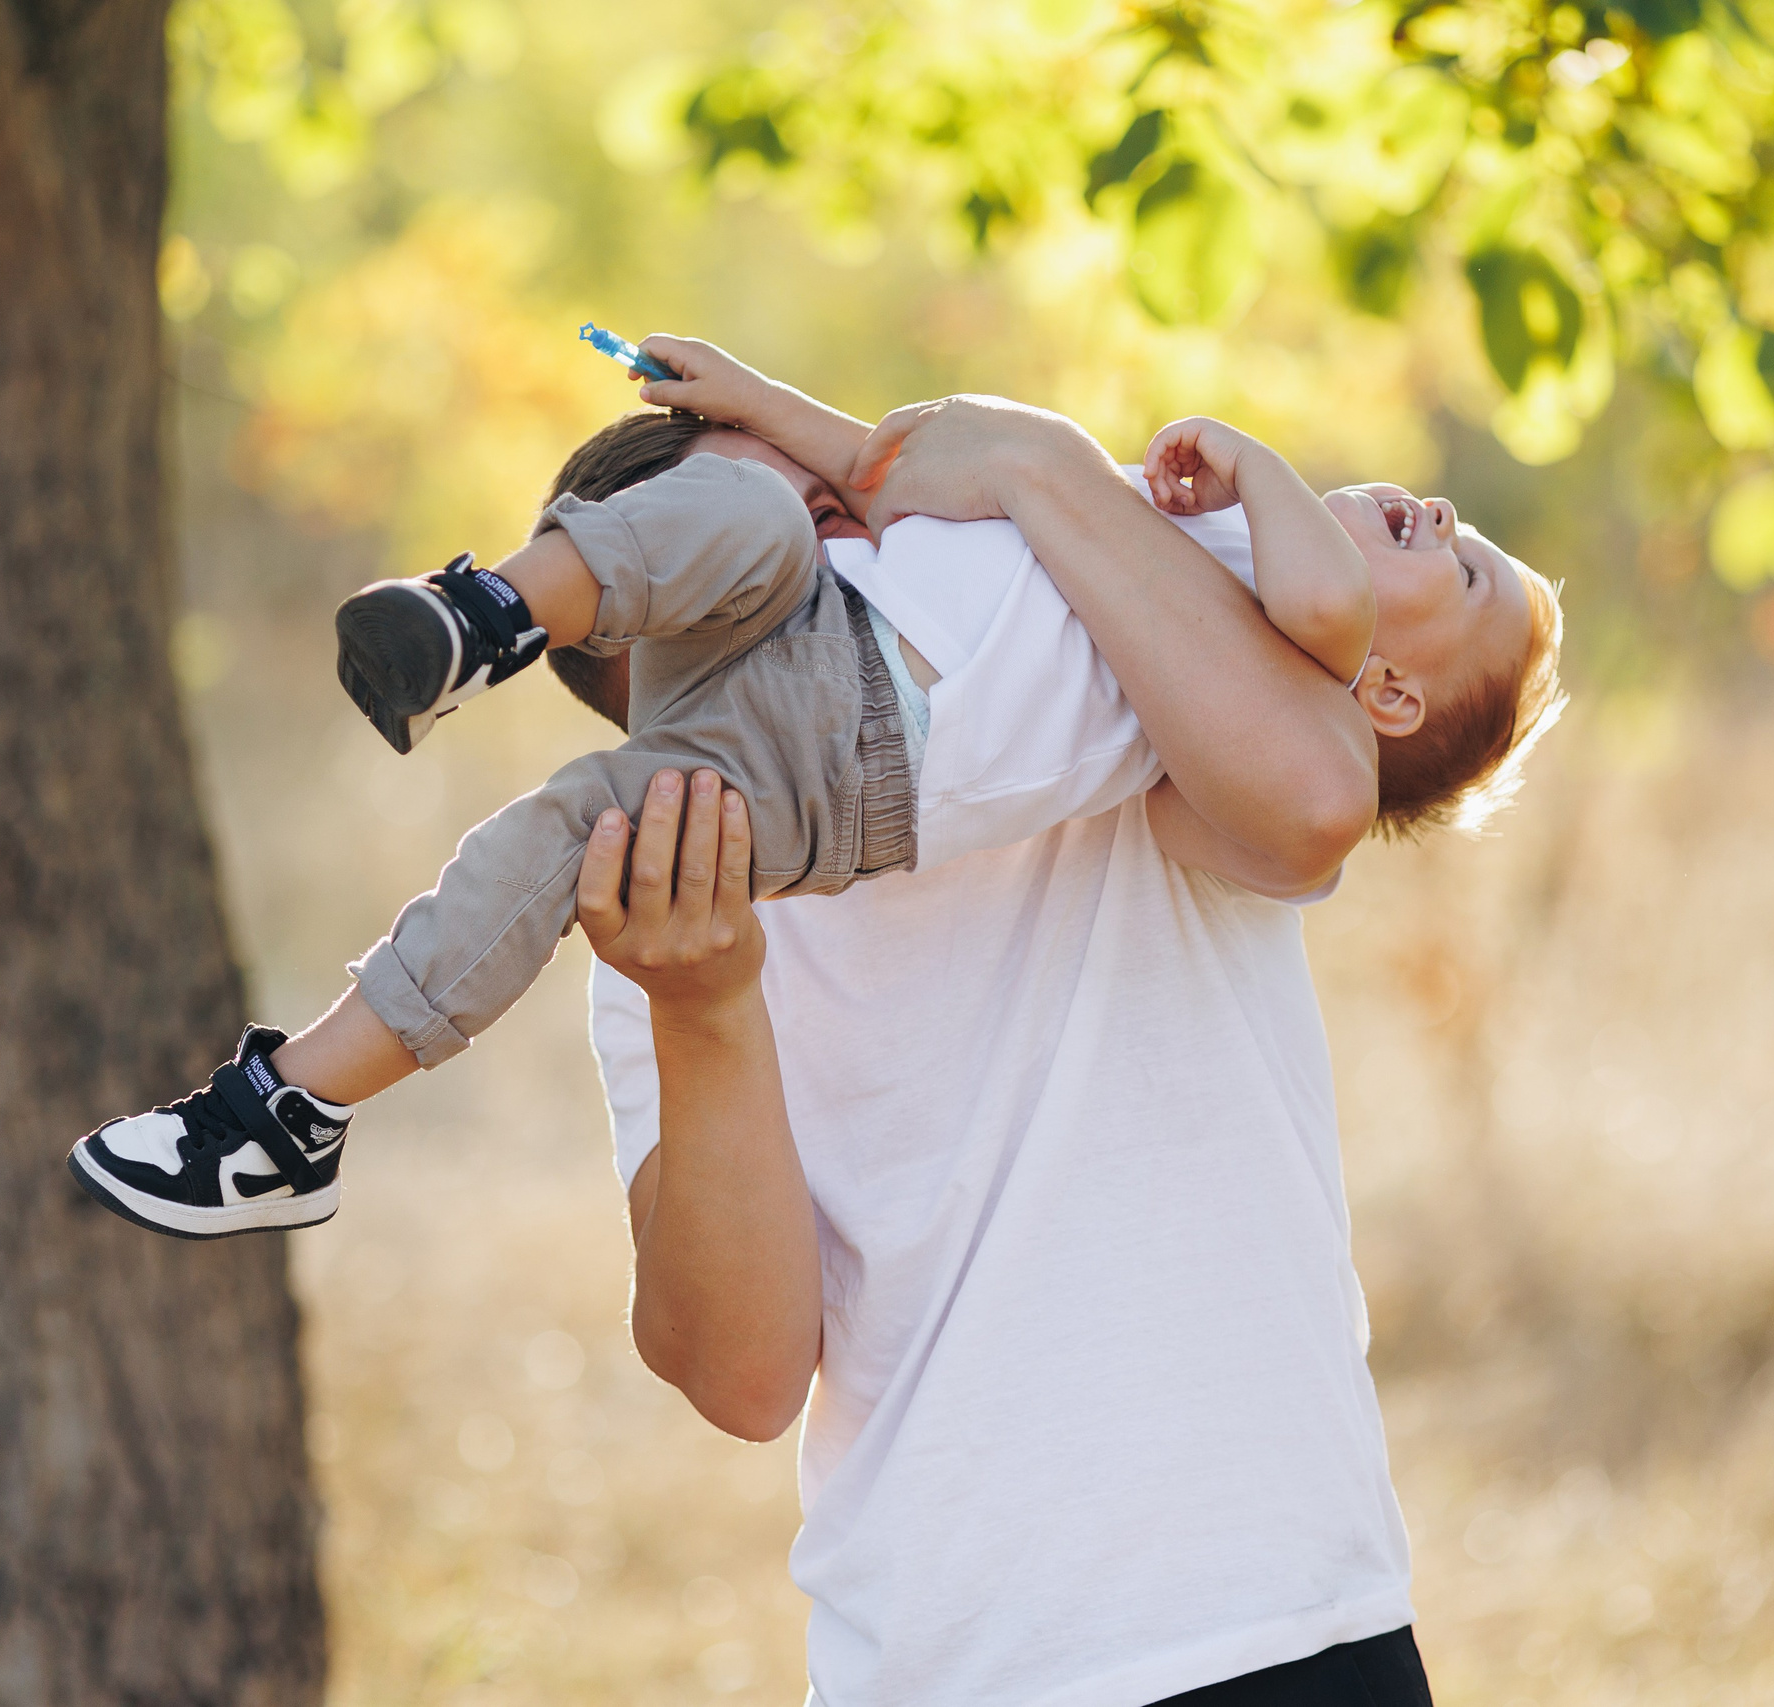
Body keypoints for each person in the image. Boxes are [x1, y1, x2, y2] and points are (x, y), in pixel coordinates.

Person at [64, 340, 1562, 1244]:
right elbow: (889, 471)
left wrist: (1253, 463)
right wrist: (762, 397)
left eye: (1467, 560)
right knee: (750, 511)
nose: (1439, 511)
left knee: (553, 845)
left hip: (849, 764)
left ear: (1386, 698)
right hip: (824, 644)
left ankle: (289, 1108)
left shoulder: (1274, 649)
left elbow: (1322, 617)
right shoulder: (1148, 535)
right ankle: (485, 621)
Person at [578, 388, 1558, 1704]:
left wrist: (1044, 468)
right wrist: (703, 1008)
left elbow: (1318, 796)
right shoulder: (659, 913)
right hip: (941, 1662)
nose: (868, 554)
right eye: (772, 536)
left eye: (836, 510)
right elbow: (746, 1376)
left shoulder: (1125, 693)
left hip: (1277, 1621)